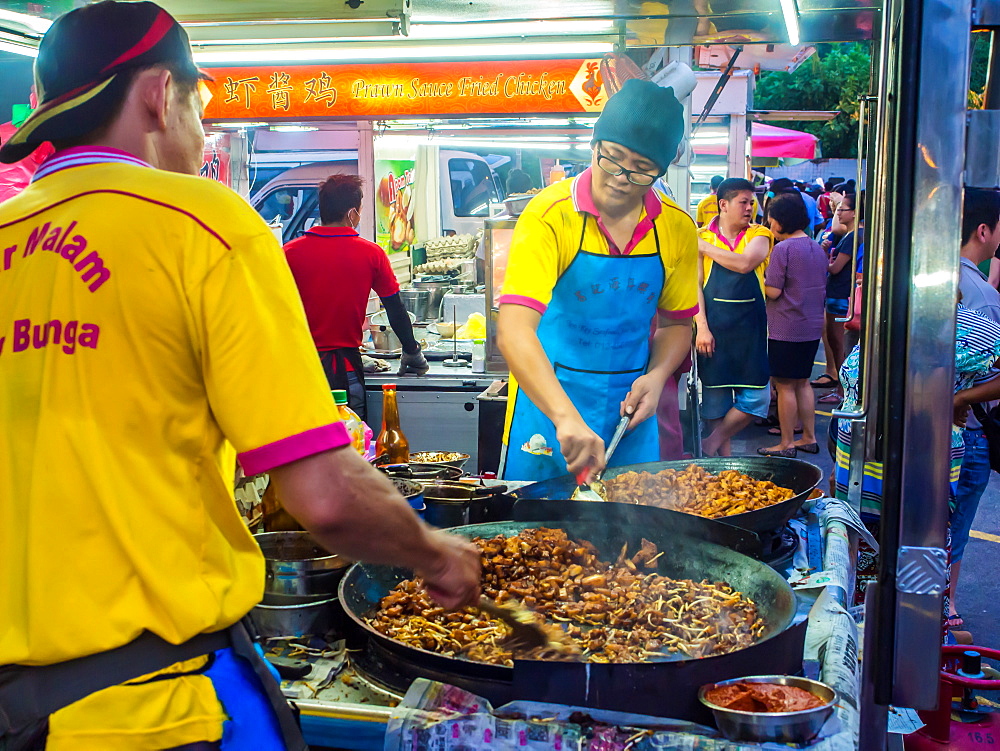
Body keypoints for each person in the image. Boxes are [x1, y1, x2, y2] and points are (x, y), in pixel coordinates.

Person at [0, 4, 480, 749]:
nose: (203, 126)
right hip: (151, 711)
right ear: (162, 94)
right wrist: (435, 550)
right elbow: (323, 495)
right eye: (203, 100)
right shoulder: (204, 225)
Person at [497, 78, 698, 482]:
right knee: (535, 534)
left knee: (635, 532)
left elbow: (678, 325)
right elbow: (514, 329)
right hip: (548, 407)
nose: (621, 177)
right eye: (612, 158)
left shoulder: (677, 228)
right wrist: (564, 416)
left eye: (642, 170)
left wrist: (657, 377)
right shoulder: (550, 216)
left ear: (661, 170)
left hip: (631, 411)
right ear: (594, 145)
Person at [283, 174, 428, 420]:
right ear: (352, 213)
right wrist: (412, 350)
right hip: (344, 369)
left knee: (303, 444)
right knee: (353, 441)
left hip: (297, 369)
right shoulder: (371, 254)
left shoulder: (289, 253)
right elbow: (394, 307)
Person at [947, 188, 1000, 630]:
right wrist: (962, 400)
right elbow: (991, 376)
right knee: (954, 527)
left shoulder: (928, 277)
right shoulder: (981, 295)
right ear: (983, 230)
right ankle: (944, 609)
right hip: (967, 435)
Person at [696, 177, 775, 457]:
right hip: (714, 329)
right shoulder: (703, 235)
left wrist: (703, 248)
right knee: (715, 402)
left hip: (750, 331)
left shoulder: (759, 235)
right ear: (723, 205)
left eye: (751, 203)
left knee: (756, 399)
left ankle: (710, 443)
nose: (749, 208)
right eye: (744, 202)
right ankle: (724, 465)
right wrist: (702, 328)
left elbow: (744, 264)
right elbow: (695, 287)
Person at [756, 193, 828, 457]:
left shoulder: (783, 249)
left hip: (786, 327)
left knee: (784, 385)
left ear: (779, 220)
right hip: (811, 327)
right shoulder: (816, 248)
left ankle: (786, 442)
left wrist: (756, 279)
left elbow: (773, 291)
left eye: (770, 218)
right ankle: (808, 437)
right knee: (803, 383)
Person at [813, 190, 861, 404]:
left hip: (841, 296)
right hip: (839, 295)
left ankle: (843, 392)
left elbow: (834, 268)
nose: (838, 213)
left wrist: (824, 254)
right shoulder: (852, 235)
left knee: (839, 346)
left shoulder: (853, 237)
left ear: (855, 213)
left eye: (843, 209)